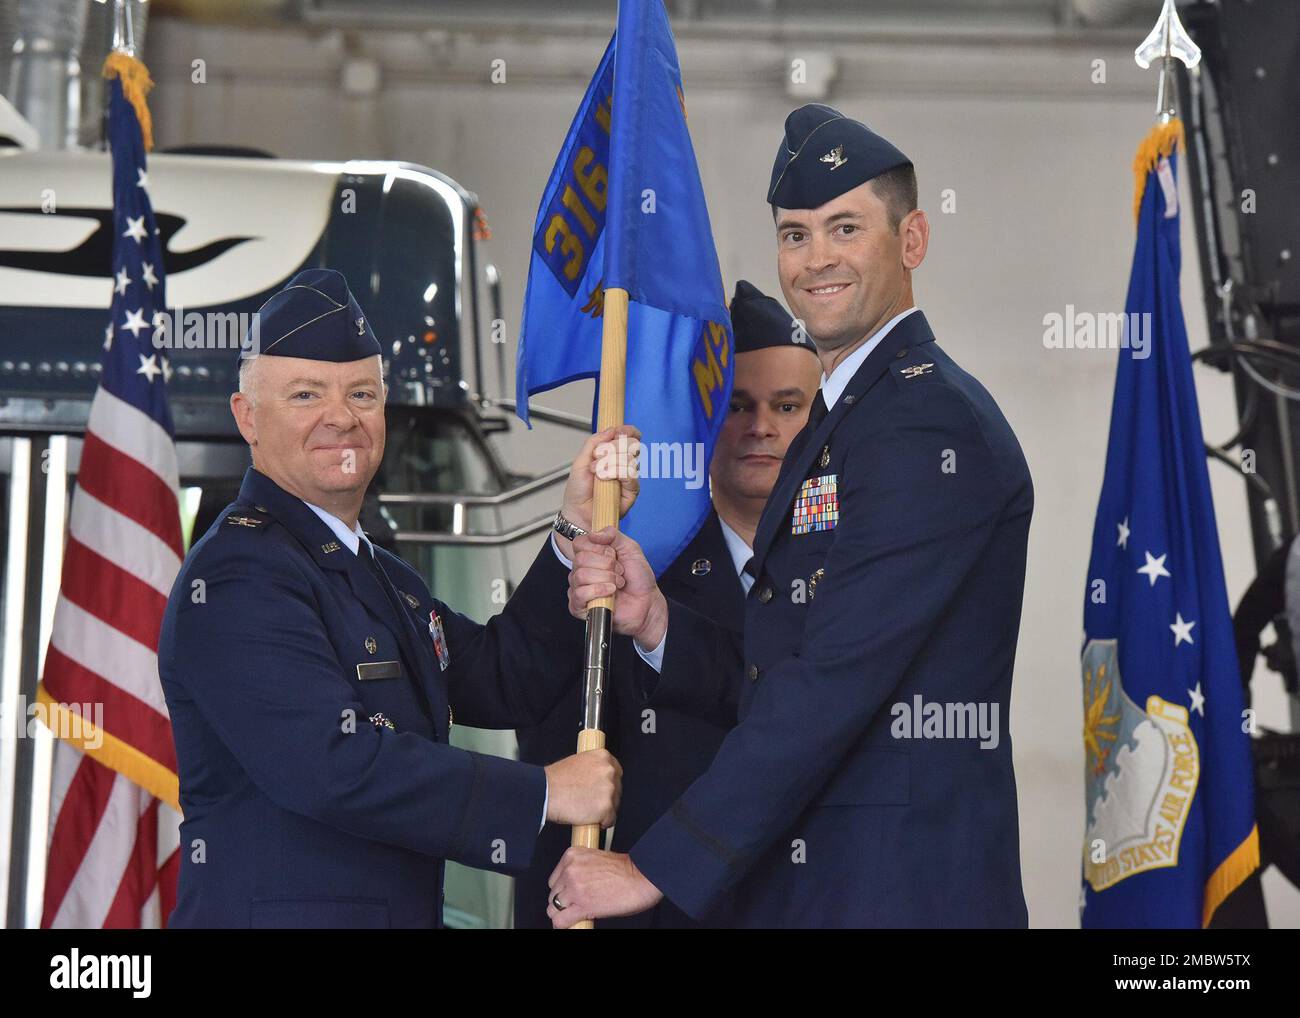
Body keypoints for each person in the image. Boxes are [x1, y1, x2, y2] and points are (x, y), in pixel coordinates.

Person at [550, 104, 1034, 928]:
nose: (817, 261)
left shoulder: (925, 424)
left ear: (912, 240)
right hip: (832, 887)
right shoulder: (851, 416)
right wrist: (660, 621)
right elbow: (788, 661)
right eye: (796, 234)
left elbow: (834, 682)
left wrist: (651, 867)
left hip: (897, 893)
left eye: (845, 228)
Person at [157, 268, 633, 928]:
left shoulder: (382, 576)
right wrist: (545, 793)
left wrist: (571, 529)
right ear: (248, 418)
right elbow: (333, 767)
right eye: (305, 394)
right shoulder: (239, 576)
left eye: (362, 392)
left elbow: (500, 678)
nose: (341, 417)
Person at [513, 281, 821, 928]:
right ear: (703, 419)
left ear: (818, 421)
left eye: (788, 405)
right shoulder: (631, 573)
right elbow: (559, 761)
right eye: (737, 405)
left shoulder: (852, 572)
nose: (762, 426)